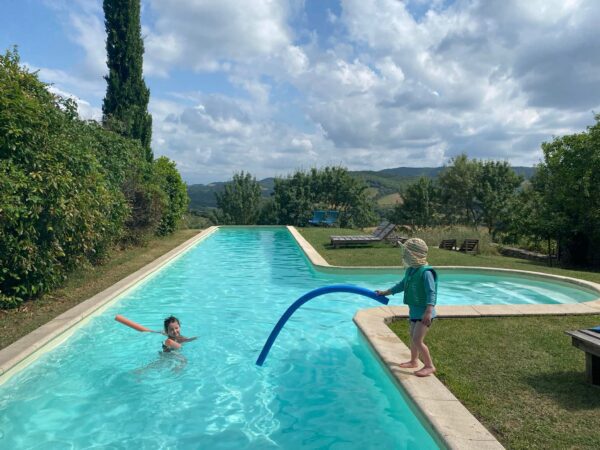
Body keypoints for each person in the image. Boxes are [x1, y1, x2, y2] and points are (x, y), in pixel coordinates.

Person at [376, 238, 437, 377]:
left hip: (424, 312)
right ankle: (414, 361)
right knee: (412, 337)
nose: (405, 256)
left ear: (415, 255)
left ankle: (429, 366)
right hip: (415, 311)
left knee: (417, 339)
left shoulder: (426, 273)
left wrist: (428, 311)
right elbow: (402, 285)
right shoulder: (411, 271)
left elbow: (431, 292)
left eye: (407, 254)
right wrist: (386, 292)